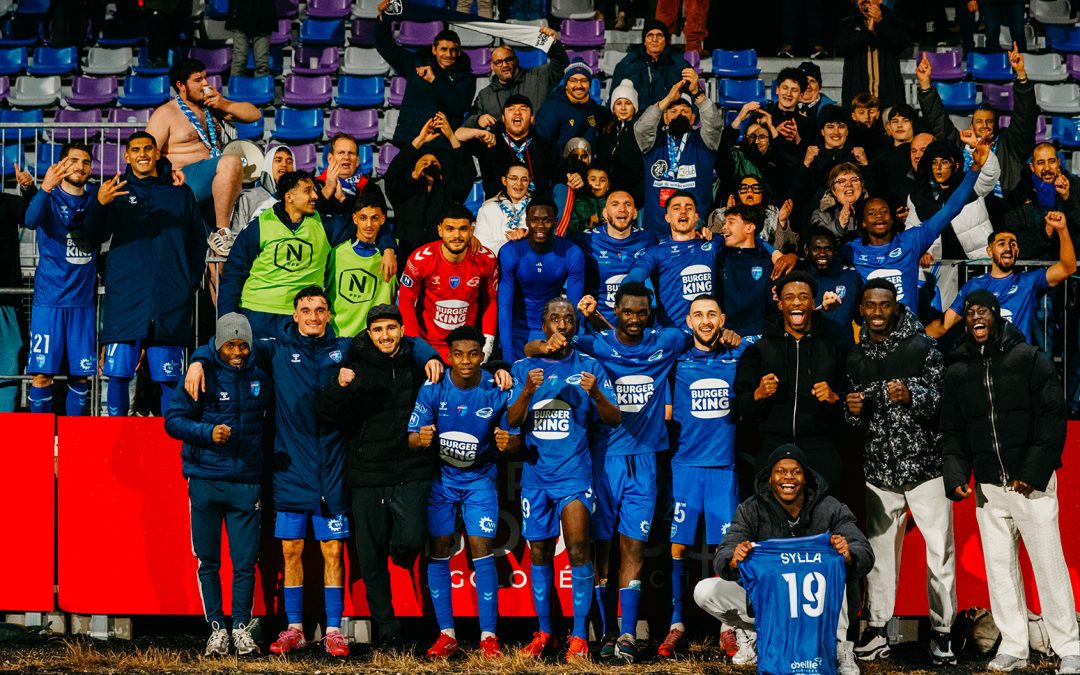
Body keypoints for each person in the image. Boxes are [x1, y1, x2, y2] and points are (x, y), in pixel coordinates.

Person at [527, 283, 685, 663]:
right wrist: (540, 346)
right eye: (626, 312)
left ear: (651, 313)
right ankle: (604, 631)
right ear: (615, 312)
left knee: (633, 546)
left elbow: (707, 339)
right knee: (599, 550)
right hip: (601, 459)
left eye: (641, 313)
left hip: (645, 459)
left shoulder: (668, 341)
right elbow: (539, 347)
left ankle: (627, 633)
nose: (633, 320)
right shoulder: (594, 345)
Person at [941, 290, 1080, 674]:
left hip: (1030, 486)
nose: (975, 318)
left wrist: (1031, 473)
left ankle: (1069, 647)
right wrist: (956, 476)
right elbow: (952, 432)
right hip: (989, 488)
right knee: (1000, 572)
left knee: (1049, 567)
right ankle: (1015, 647)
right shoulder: (957, 370)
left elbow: (1052, 419)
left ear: (996, 316)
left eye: (982, 311)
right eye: (969, 313)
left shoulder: (1029, 359)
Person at [316, 303, 443, 652]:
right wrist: (339, 387)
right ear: (369, 333)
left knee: (412, 541)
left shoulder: (419, 362)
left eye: (391, 328)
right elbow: (327, 416)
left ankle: (400, 553)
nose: (385, 336)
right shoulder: (353, 365)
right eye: (378, 330)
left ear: (402, 331)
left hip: (411, 470)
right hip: (367, 473)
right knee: (370, 559)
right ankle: (387, 629)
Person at [843, 280, 956, 666]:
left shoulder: (922, 346)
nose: (877, 312)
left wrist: (914, 394)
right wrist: (852, 411)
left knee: (940, 554)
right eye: (870, 306)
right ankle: (877, 631)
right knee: (879, 557)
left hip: (926, 468)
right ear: (861, 309)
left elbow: (946, 399)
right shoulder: (855, 356)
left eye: (884, 305)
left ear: (895, 307)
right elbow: (851, 420)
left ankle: (943, 633)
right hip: (879, 471)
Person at [693, 445, 874, 675]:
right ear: (770, 478)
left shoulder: (829, 507)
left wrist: (849, 553)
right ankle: (755, 634)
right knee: (705, 591)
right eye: (780, 471)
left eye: (796, 472)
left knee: (835, 569)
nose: (788, 477)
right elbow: (724, 552)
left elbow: (864, 551)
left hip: (815, 604)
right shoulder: (751, 510)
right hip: (773, 602)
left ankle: (837, 647)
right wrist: (733, 559)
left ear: (805, 478)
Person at [507, 297, 621, 662]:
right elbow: (510, 420)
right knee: (539, 553)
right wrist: (526, 390)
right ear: (544, 324)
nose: (562, 323)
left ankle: (578, 636)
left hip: (574, 475)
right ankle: (544, 632)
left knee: (578, 552)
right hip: (536, 478)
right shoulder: (525, 366)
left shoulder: (589, 366)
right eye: (555, 317)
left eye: (569, 318)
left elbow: (614, 418)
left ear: (576, 325)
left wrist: (596, 392)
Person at [164, 313, 271, 658]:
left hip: (246, 483)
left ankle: (240, 628)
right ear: (219, 345)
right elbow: (173, 421)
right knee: (208, 561)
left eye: (242, 345)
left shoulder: (261, 372)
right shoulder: (202, 373)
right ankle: (216, 629)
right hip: (206, 481)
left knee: (244, 563)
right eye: (230, 345)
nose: (237, 352)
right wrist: (207, 434)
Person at [409, 326, 519, 659]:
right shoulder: (434, 387)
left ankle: (488, 636)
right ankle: (446, 635)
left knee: (481, 547)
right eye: (459, 354)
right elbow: (412, 437)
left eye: (474, 354)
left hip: (480, 481)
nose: (467, 361)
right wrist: (421, 438)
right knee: (440, 548)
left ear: (482, 356)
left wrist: (509, 442)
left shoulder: (496, 387)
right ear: (449, 356)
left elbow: (514, 438)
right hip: (442, 482)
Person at [84, 132, 206, 417]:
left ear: (157, 153)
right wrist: (99, 205)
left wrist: (187, 283)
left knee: (168, 377)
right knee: (118, 373)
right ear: (127, 156)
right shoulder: (116, 191)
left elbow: (198, 242)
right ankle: (116, 444)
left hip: (170, 298)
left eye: (148, 149)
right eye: (135, 150)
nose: (142, 154)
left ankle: (167, 448)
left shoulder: (179, 192)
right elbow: (93, 237)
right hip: (126, 299)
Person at [662, 294, 744, 658]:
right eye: (699, 315)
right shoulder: (675, 360)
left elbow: (768, 338)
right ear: (688, 320)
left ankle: (729, 626)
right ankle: (676, 623)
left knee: (723, 550)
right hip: (684, 467)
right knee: (678, 545)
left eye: (712, 314)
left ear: (722, 318)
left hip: (723, 467)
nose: (706, 321)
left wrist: (741, 338)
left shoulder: (737, 355)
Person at [218, 170, 395, 339]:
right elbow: (234, 271)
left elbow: (370, 219)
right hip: (257, 312)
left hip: (302, 317)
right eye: (308, 191)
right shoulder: (260, 225)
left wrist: (388, 248)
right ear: (289, 197)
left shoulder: (325, 226)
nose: (315, 196)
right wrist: (227, 318)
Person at [841, 139, 995, 315]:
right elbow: (822, 256)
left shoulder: (911, 241)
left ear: (893, 219)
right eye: (872, 213)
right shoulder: (851, 250)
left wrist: (975, 167)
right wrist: (840, 226)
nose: (878, 216)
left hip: (908, 333)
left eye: (884, 211)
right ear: (862, 222)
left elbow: (952, 208)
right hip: (872, 333)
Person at [733, 272, 848, 495]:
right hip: (773, 445)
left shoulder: (834, 343)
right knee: (770, 519)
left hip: (821, 445)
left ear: (813, 303)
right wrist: (757, 395)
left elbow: (853, 402)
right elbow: (740, 407)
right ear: (780, 303)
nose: (796, 302)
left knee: (827, 516)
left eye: (803, 297)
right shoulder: (759, 347)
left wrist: (836, 398)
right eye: (789, 297)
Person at [146, 58, 261, 234]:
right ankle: (223, 232)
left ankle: (219, 240)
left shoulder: (212, 108)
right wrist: (166, 174)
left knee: (210, 253)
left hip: (214, 184)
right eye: (198, 80)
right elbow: (146, 153)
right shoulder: (166, 113)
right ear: (181, 85)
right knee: (231, 162)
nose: (206, 83)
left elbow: (254, 115)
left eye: (205, 78)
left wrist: (223, 103)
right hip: (185, 181)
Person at [24, 143, 98, 416]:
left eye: (86, 162)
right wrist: (44, 188)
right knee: (42, 376)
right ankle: (40, 443)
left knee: (80, 377)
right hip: (50, 302)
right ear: (61, 165)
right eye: (74, 160)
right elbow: (30, 221)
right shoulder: (50, 198)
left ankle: (72, 445)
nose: (80, 166)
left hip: (83, 305)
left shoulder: (95, 199)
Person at [915, 45, 1033, 195]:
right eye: (979, 121)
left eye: (989, 121)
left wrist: (1021, 75)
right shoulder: (960, 147)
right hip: (968, 210)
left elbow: (1024, 116)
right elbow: (938, 121)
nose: (984, 125)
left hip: (1004, 209)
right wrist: (925, 84)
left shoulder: (1010, 145)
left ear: (996, 125)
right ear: (971, 125)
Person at [936, 218, 1076, 343]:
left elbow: (1067, 268)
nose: (1008, 248)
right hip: (984, 364)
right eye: (1001, 244)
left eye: (1013, 244)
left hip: (1016, 363)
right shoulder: (973, 285)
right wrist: (917, 339)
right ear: (989, 251)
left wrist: (1062, 229)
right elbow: (944, 325)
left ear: (1018, 251)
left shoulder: (1029, 281)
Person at [398, 203, 499, 361]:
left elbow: (490, 301)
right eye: (450, 229)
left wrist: (487, 344)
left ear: (471, 231)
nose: (457, 235)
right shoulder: (420, 259)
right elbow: (406, 302)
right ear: (440, 230)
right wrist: (415, 345)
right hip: (428, 345)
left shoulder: (486, 259)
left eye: (463, 229)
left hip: (466, 346)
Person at [634, 69, 721, 237]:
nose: (678, 114)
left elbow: (715, 123)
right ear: (664, 117)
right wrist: (667, 99)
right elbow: (641, 127)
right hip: (655, 232)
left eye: (684, 111)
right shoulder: (653, 142)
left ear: (693, 118)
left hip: (694, 231)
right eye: (672, 111)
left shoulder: (704, 141)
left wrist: (697, 93)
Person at [497, 197, 585, 360]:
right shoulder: (511, 251)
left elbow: (575, 309)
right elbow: (504, 306)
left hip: (554, 331)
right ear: (527, 221)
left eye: (546, 220)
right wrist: (507, 358)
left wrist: (571, 344)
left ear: (556, 222)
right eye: (534, 220)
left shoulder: (572, 252)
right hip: (516, 330)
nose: (540, 226)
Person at [376, 2, 474, 146]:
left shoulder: (467, 78)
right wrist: (384, 18)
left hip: (443, 144)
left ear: (459, 52)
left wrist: (435, 80)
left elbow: (458, 106)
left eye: (453, 50)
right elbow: (386, 47)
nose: (448, 54)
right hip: (410, 139)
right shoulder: (416, 62)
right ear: (434, 50)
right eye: (444, 49)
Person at [384, 113, 477, 260]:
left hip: (439, 262)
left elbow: (467, 173)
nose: (430, 165)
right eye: (424, 163)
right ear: (414, 173)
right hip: (406, 260)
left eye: (434, 163)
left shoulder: (449, 195)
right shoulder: (402, 194)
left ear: (441, 174)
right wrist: (419, 141)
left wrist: (451, 137)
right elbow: (393, 173)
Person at [574, 190, 656, 327]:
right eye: (615, 204)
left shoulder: (648, 239)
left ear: (635, 213)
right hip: (596, 325)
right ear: (605, 213)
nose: (622, 209)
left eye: (627, 204)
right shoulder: (585, 240)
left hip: (637, 326)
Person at [906, 140, 997, 261]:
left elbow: (991, 174)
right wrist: (921, 252)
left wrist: (975, 148)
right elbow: (912, 232)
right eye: (934, 163)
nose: (938, 168)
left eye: (944, 162)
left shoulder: (971, 184)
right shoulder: (917, 196)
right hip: (939, 267)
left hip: (977, 261)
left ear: (956, 165)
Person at [326, 192, 398, 337]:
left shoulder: (396, 253)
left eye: (375, 218)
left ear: (383, 220)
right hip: (337, 335)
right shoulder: (335, 252)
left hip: (375, 339)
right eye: (363, 218)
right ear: (354, 219)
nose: (369, 225)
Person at [465, 32, 568, 126]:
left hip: (538, 142)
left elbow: (561, 65)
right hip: (503, 145)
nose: (504, 65)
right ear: (492, 67)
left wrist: (553, 45)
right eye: (499, 62)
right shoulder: (485, 95)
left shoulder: (539, 76)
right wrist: (478, 119)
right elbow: (469, 121)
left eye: (508, 60)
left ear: (517, 61)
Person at [1001, 143, 1080, 262]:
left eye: (1051, 161)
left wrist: (1067, 198)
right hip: (1034, 272)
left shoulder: (1076, 187)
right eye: (1041, 163)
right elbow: (1014, 243)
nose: (1047, 168)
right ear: (1032, 167)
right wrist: (1045, 232)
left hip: (1073, 271)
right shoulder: (1018, 197)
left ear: (1058, 162)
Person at [468, 94, 555, 200]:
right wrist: (477, 122)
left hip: (535, 209)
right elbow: (456, 137)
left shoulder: (545, 145)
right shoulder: (489, 139)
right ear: (503, 118)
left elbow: (560, 175)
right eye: (511, 109)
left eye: (523, 109)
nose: (517, 112)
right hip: (497, 207)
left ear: (532, 118)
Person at [834, 0, 911, 109]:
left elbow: (900, 43)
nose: (864, 1)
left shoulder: (894, 21)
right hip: (857, 99)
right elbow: (841, 48)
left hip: (889, 97)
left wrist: (880, 22)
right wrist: (867, 33)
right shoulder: (848, 23)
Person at [608, 20, 689, 112]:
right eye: (650, 35)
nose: (655, 39)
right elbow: (613, 100)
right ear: (644, 41)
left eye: (659, 35)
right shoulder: (627, 64)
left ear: (666, 40)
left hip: (668, 120)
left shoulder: (679, 64)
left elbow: (691, 99)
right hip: (636, 121)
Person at [803, 227, 863, 346]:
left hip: (844, 353)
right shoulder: (798, 277)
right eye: (816, 249)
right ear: (806, 250)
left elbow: (861, 316)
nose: (822, 254)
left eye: (828, 249)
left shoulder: (851, 277)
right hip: (809, 351)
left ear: (835, 251)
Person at [534, 60, 612, 151]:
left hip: (587, 163)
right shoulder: (551, 109)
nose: (579, 85)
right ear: (566, 84)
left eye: (583, 80)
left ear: (589, 85)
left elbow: (607, 117)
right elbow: (540, 144)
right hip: (561, 163)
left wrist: (612, 121)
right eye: (573, 80)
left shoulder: (592, 106)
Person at [710, 175, 797, 253]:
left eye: (755, 188)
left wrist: (782, 222)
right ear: (737, 193)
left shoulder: (774, 214)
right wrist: (729, 218)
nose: (750, 192)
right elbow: (713, 247)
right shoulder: (721, 214)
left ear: (762, 193)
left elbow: (785, 251)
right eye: (744, 188)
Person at [596, 80, 644, 206]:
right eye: (618, 103)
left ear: (634, 107)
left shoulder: (639, 131)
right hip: (608, 194)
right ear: (613, 107)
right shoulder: (605, 131)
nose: (623, 108)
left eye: (628, 103)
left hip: (635, 196)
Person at [230, 144, 295, 234]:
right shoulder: (247, 197)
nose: (284, 164)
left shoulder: (298, 200)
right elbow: (237, 234)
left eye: (289, 162)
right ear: (268, 165)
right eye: (278, 160)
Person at [760, 67, 816, 165]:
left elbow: (811, 159)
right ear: (777, 90)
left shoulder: (808, 123)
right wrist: (774, 132)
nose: (788, 94)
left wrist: (798, 140)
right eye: (785, 88)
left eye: (794, 90)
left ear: (801, 95)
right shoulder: (762, 117)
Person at [316, 133, 381, 215]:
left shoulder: (371, 189)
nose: (346, 157)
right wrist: (328, 189)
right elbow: (308, 220)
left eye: (351, 153)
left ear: (357, 161)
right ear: (330, 159)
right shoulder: (314, 187)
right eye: (341, 152)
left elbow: (372, 222)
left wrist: (343, 199)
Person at [474, 162, 531, 255]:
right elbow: (482, 242)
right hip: (496, 263)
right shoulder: (488, 208)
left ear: (529, 182)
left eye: (524, 180)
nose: (519, 183)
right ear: (504, 181)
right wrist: (511, 246)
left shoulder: (536, 208)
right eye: (514, 178)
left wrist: (526, 235)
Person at [226, 0, 275, 78]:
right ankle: (236, 89)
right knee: (239, 60)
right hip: (239, 15)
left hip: (264, 16)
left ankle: (261, 89)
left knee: (262, 62)